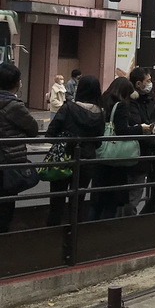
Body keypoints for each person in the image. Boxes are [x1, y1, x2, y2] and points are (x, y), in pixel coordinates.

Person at [45, 75, 104, 226]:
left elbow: (50, 133)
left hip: (63, 158)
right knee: (78, 199)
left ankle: (52, 229)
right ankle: (74, 232)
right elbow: (98, 140)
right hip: (86, 160)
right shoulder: (100, 113)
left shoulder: (68, 107)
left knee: (57, 198)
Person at [90, 77, 139, 220]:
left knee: (97, 201)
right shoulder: (121, 106)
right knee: (111, 202)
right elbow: (122, 131)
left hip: (101, 156)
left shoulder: (102, 101)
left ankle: (89, 230)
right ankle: (105, 233)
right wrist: (140, 129)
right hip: (115, 160)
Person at [0, 62, 40, 233]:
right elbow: (33, 129)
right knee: (6, 204)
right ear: (16, 83)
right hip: (8, 161)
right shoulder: (14, 105)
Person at [122, 67, 155, 216]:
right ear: (138, 84)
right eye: (147, 81)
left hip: (143, 153)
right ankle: (127, 222)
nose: (150, 83)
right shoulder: (130, 102)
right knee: (131, 192)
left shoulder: (148, 98)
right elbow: (138, 125)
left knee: (135, 192)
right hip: (132, 153)